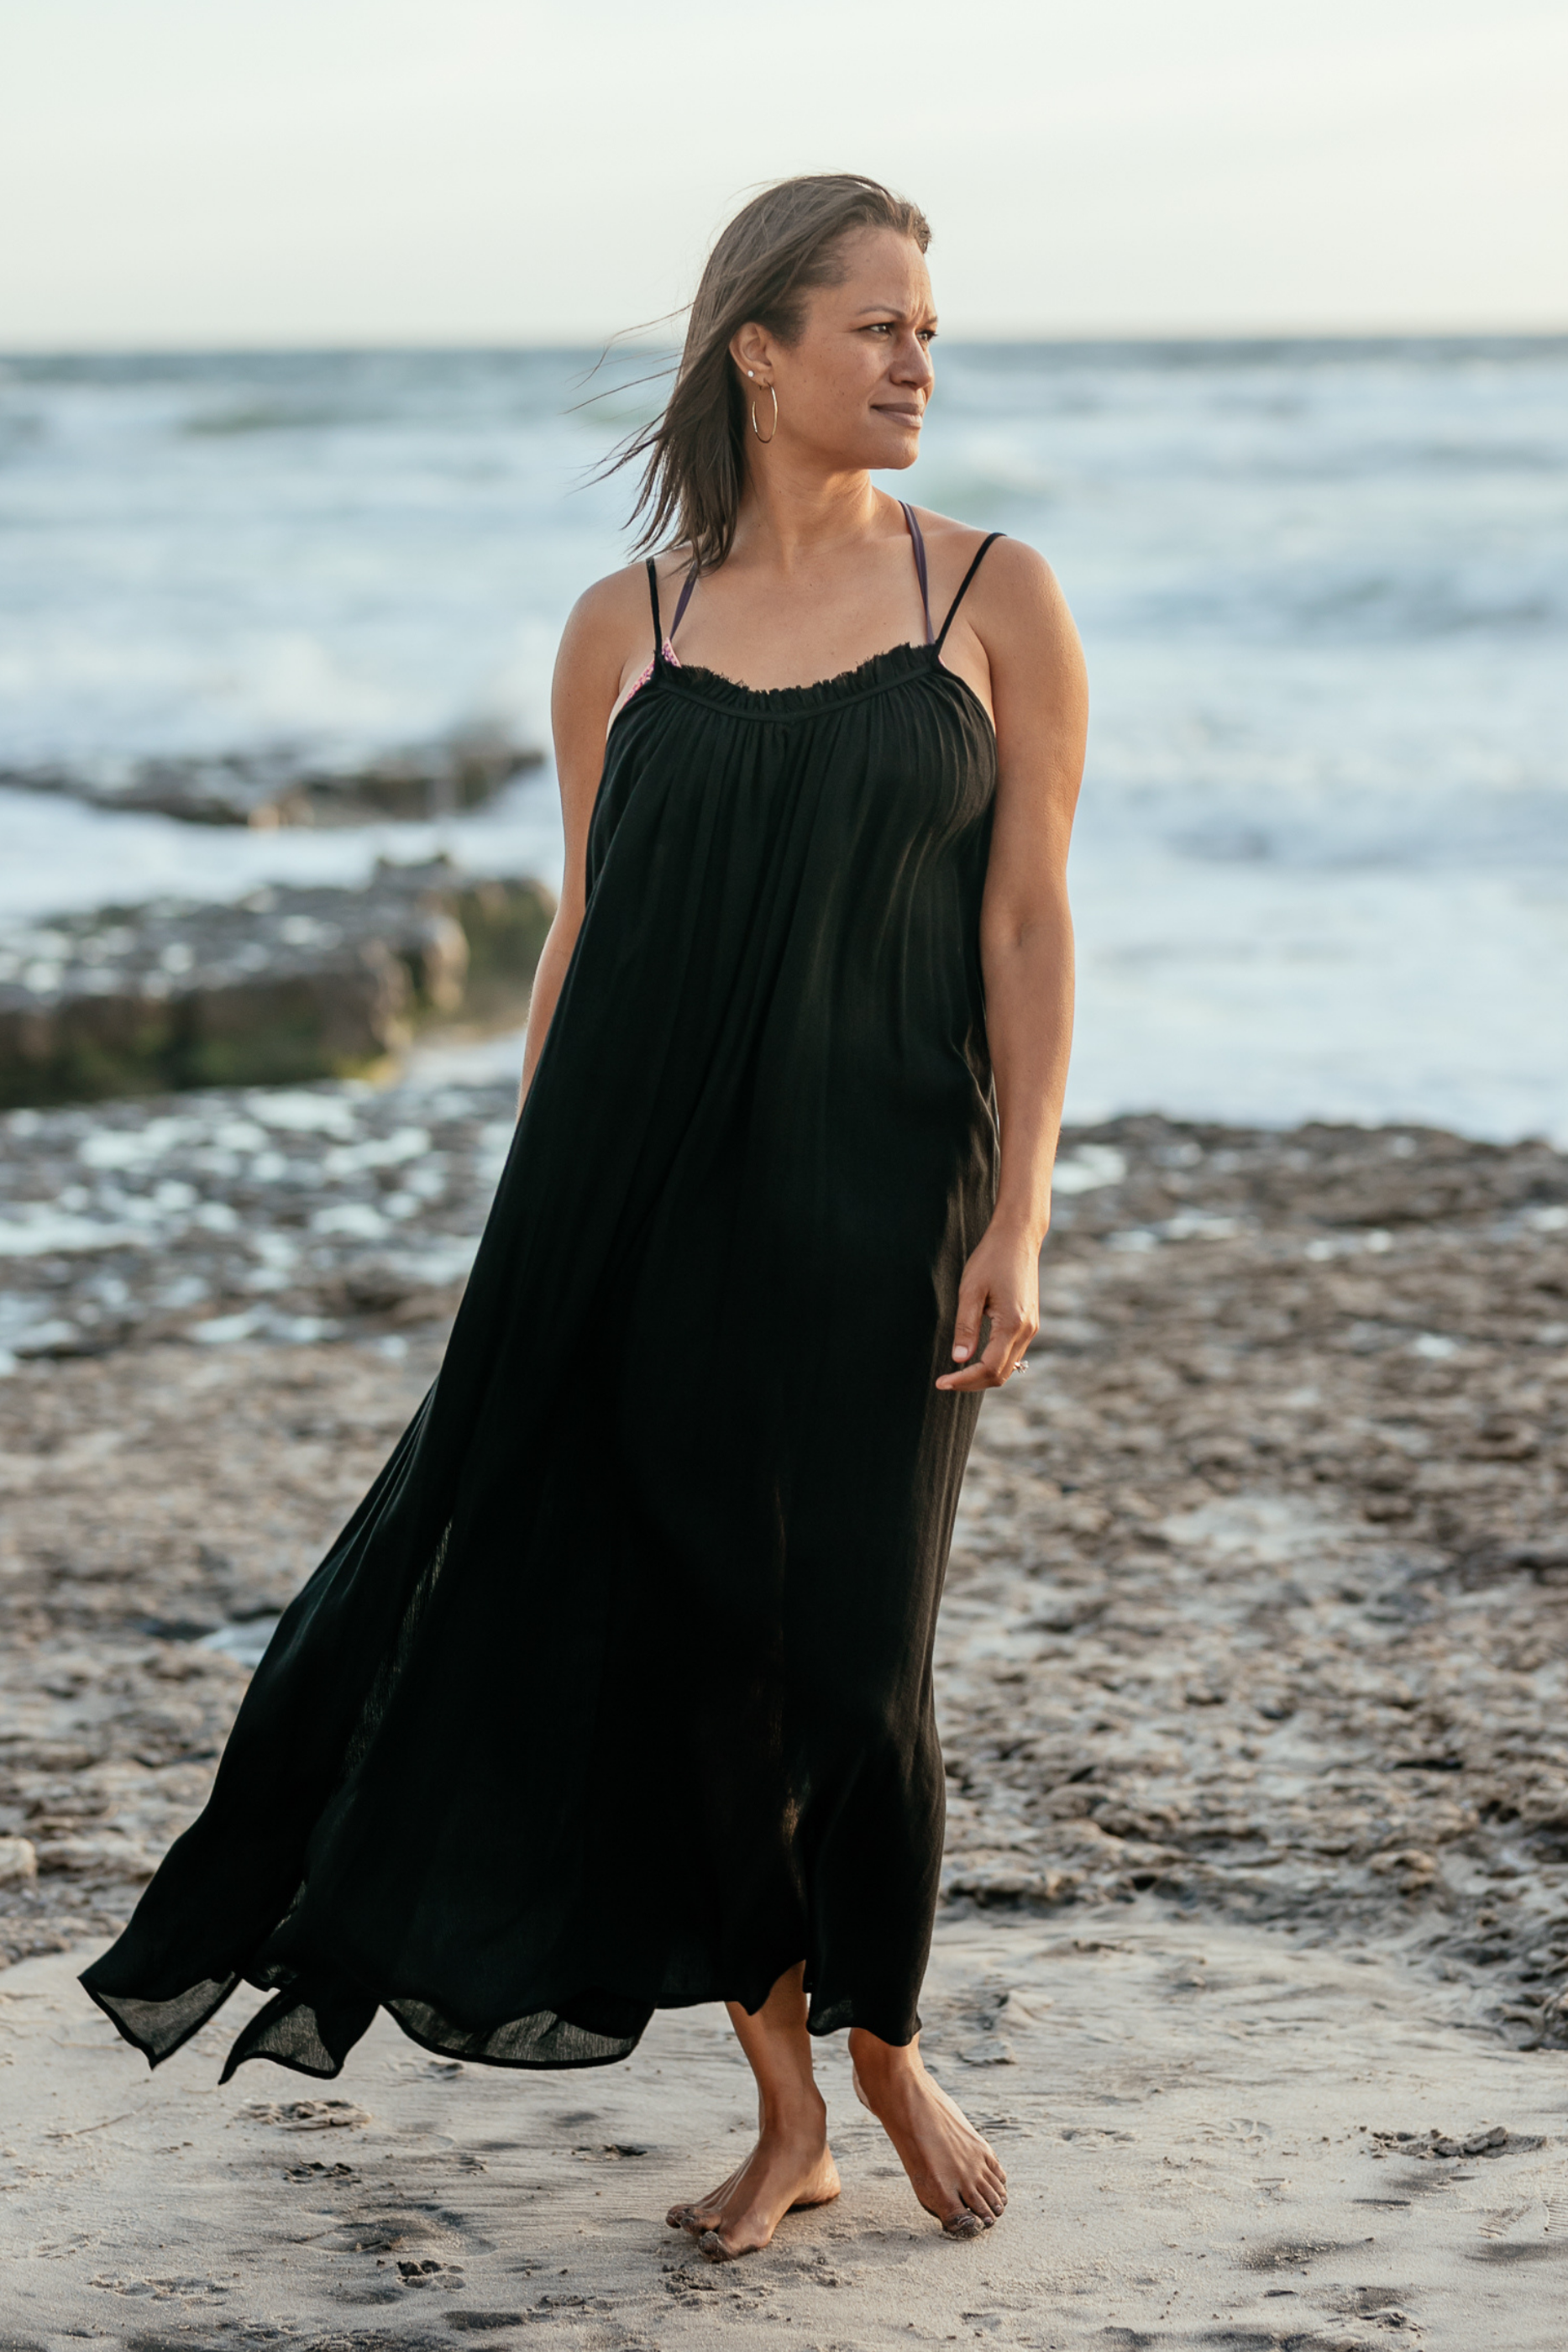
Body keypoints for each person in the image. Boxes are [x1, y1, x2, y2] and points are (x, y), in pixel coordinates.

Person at [81, 173, 1088, 2265]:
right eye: (880, 326)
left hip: (893, 1203)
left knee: (861, 1660)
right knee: (699, 1660)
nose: (919, 362)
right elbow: (578, 941)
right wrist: (537, 1219)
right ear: (760, 351)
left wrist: (1026, 1203)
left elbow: (1027, 920)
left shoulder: (991, 594)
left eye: (931, 330)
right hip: (637, 1210)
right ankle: (796, 2095)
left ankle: (890, 2032)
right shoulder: (622, 625)